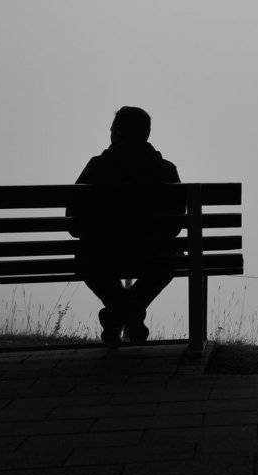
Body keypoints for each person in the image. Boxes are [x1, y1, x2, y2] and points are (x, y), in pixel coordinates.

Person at [68, 106, 183, 347]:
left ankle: (117, 314)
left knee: (86, 259)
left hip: (101, 255)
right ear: (146, 134)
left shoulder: (97, 167)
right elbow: (175, 227)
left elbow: (73, 224)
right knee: (172, 258)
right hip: (154, 256)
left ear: (118, 133)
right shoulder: (165, 169)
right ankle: (131, 313)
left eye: (112, 129)